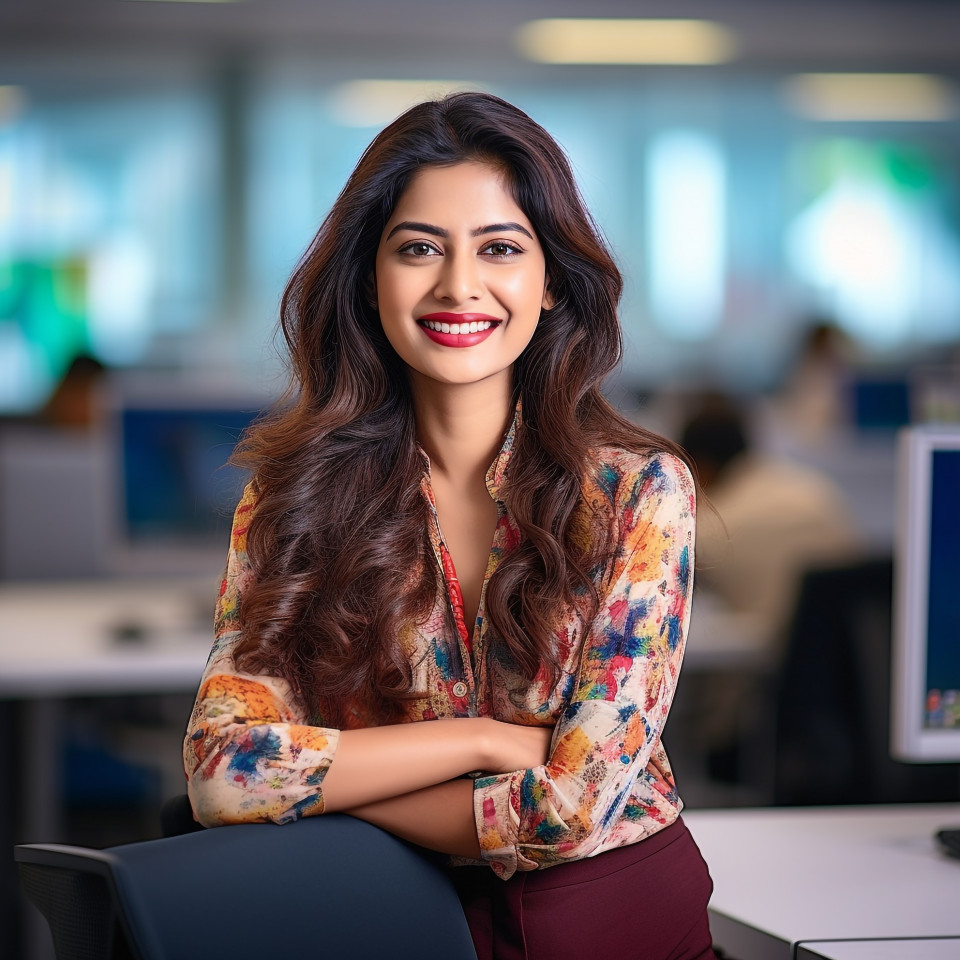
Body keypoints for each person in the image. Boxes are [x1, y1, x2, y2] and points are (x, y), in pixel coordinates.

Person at [184, 92, 716, 960]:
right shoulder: (293, 500)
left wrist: (328, 785)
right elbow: (218, 772)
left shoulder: (639, 493)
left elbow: (569, 811)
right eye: (419, 248)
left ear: (551, 284)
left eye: (500, 248)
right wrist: (481, 741)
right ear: (370, 277)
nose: (458, 285)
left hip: (616, 921)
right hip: (387, 920)